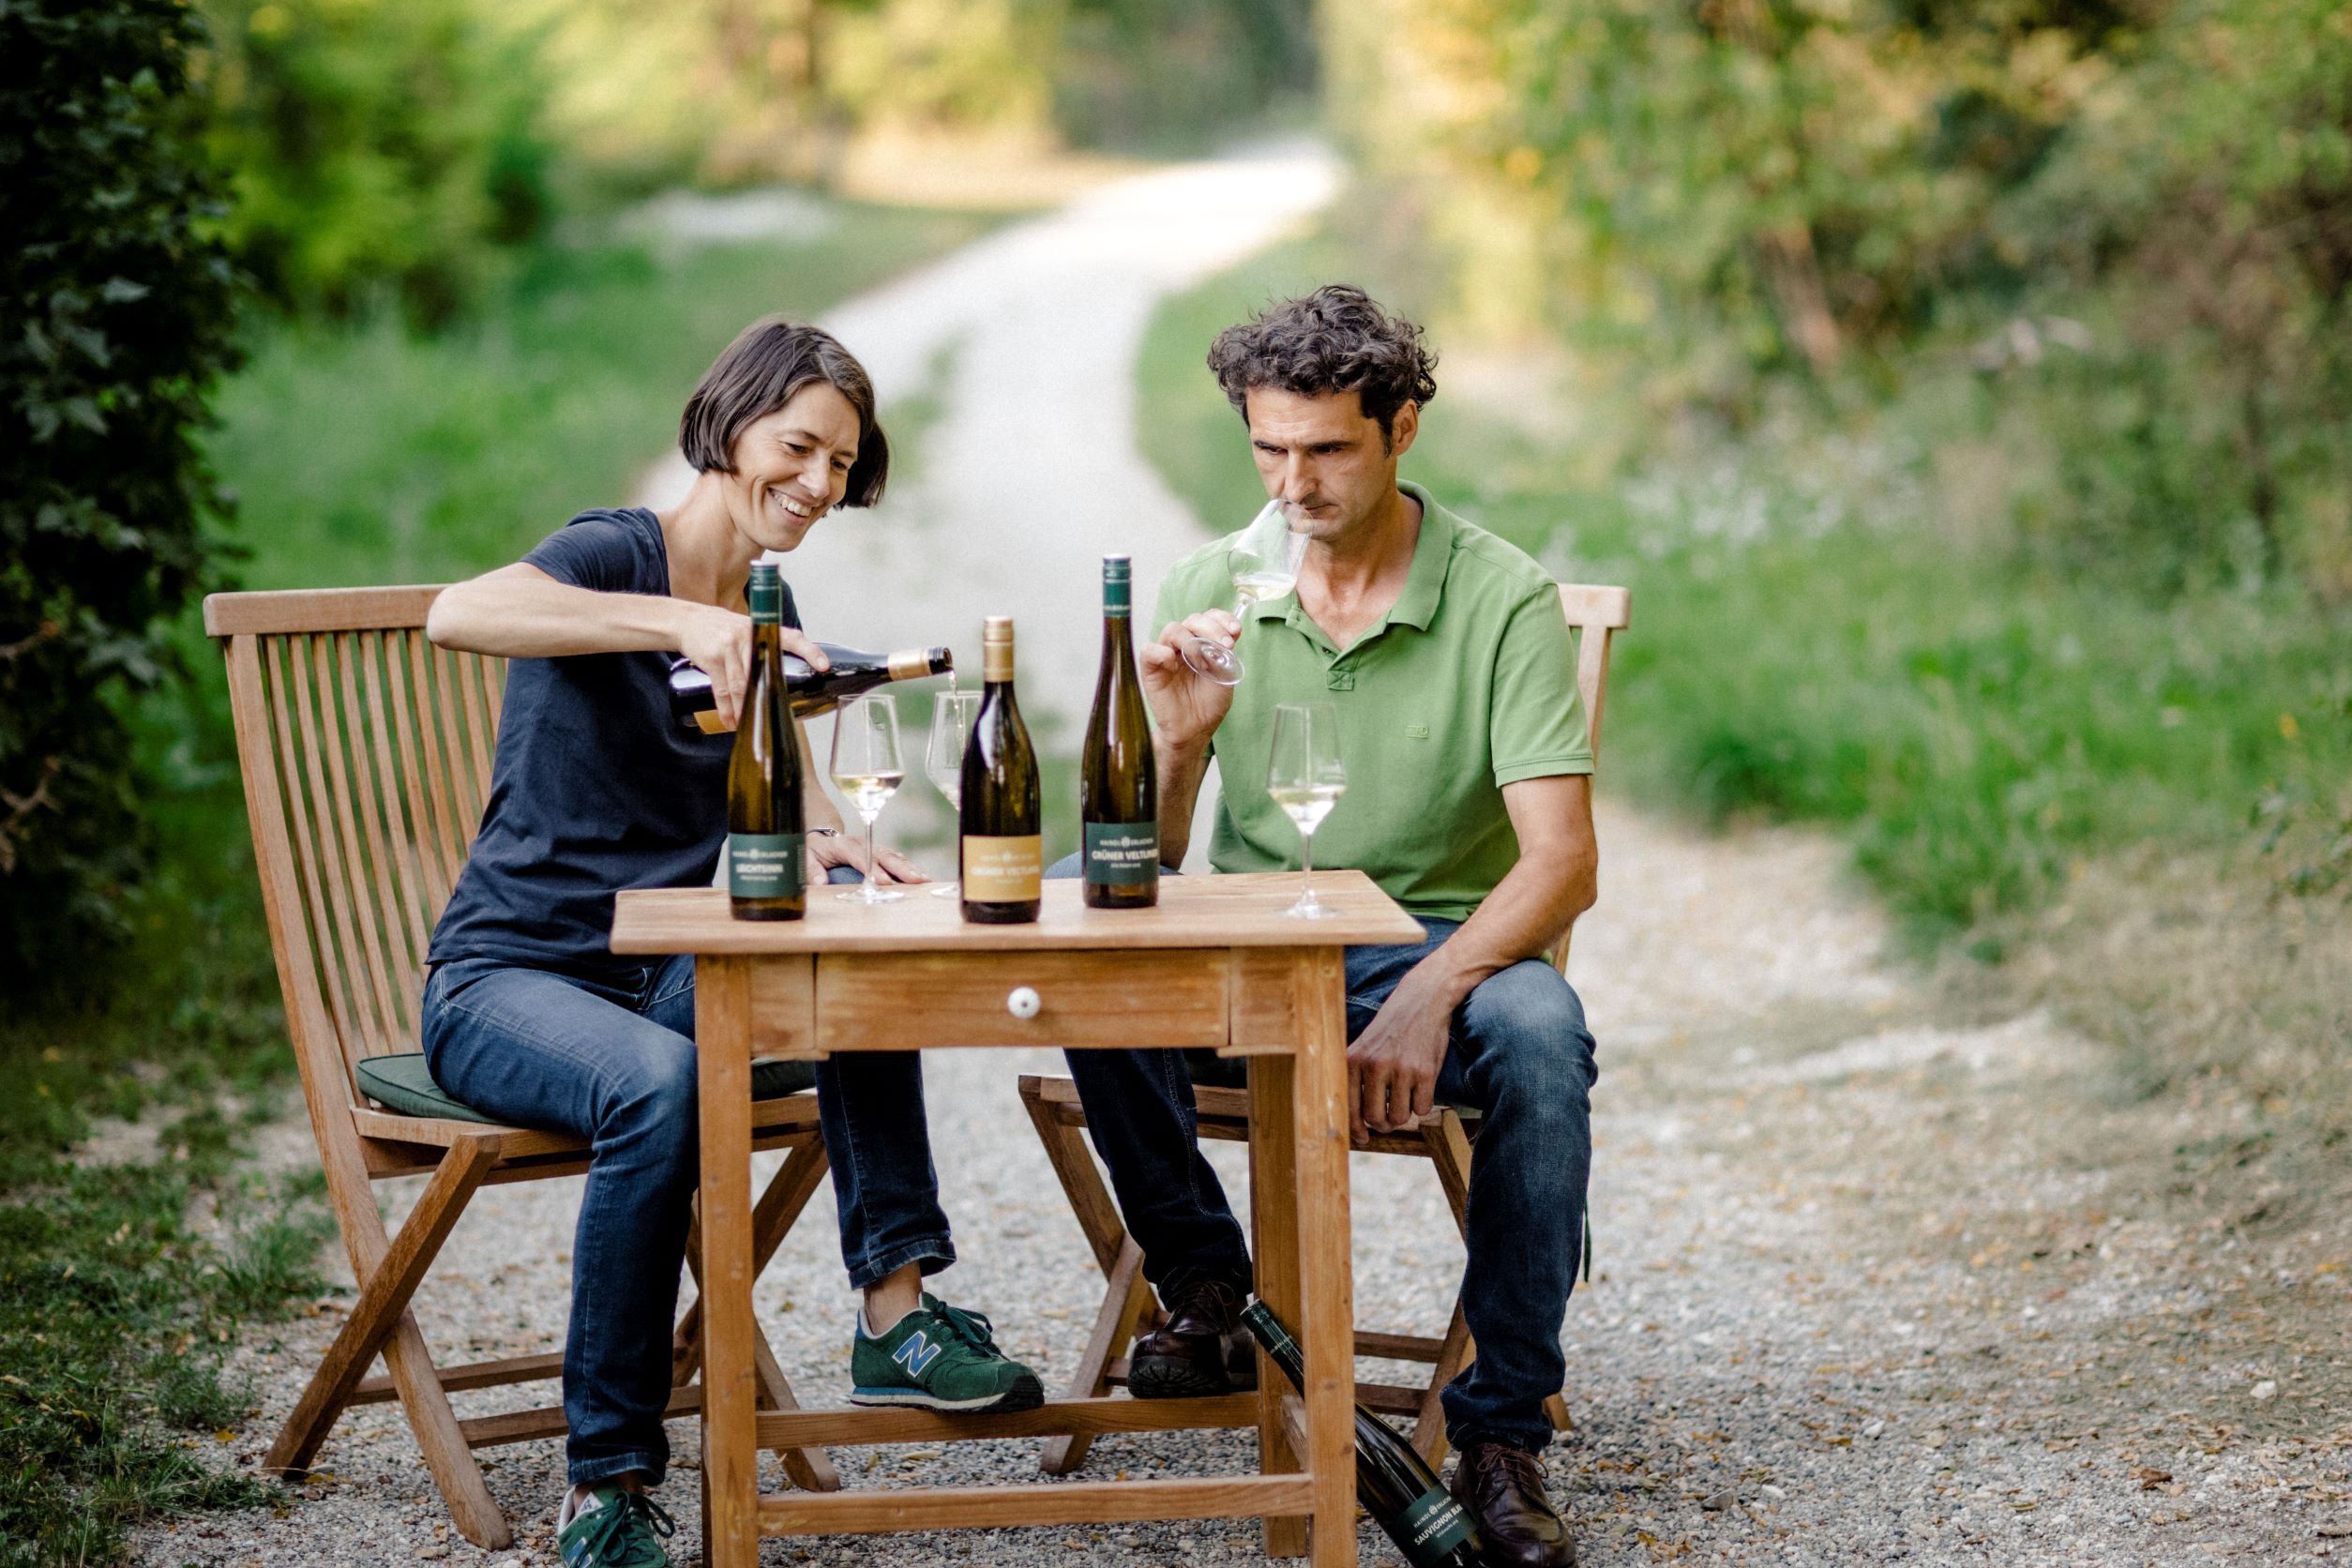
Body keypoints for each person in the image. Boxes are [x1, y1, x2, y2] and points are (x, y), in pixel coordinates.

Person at [421, 317, 1041, 1568]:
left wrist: (834, 846)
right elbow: (458, 612)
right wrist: (677, 625)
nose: (817, 484)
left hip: (655, 972)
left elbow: (780, 767)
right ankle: (606, 1487)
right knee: (655, 1087)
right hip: (507, 980)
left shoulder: (770, 599)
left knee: (850, 968)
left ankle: (895, 1315)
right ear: (731, 423)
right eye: (798, 447)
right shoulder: (614, 552)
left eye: (839, 465)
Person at [1062, 285, 1599, 1567]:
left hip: (1436, 946)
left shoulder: (1502, 596)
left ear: (1402, 427)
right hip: (1253, 946)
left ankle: (1500, 1435)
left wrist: (1429, 993)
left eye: (1327, 450)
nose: (1293, 485)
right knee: (1090, 952)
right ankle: (1210, 1291)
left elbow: (1564, 865)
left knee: (1543, 1038)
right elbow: (1135, 866)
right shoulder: (1213, 587)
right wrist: (1177, 745)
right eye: (1269, 450)